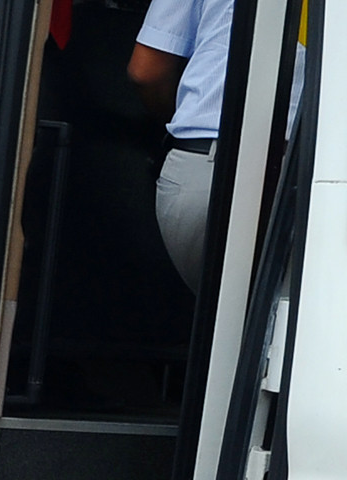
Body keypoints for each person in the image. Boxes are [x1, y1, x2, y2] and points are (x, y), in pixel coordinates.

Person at [130, 0, 304, 290]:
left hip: (195, 167)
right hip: (298, 175)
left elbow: (147, 70)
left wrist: (186, 115)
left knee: (228, 325)